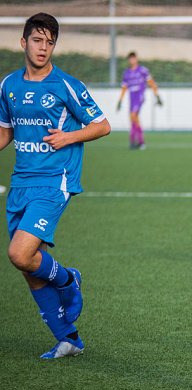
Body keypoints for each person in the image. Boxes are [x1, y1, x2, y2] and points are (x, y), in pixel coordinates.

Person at [0, 13, 111, 359]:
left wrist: (69, 136)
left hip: (54, 182)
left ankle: (67, 280)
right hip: (20, 183)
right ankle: (68, 339)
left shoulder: (66, 85)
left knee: (19, 253)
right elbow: (5, 131)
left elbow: (102, 125)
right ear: (23, 42)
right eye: (37, 40)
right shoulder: (8, 86)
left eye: (49, 42)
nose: (43, 48)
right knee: (29, 264)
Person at [116, 51, 162, 150]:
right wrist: (120, 100)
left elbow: (151, 82)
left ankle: (140, 142)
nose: (132, 60)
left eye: (133, 58)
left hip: (139, 96)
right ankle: (134, 142)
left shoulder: (142, 70)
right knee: (133, 118)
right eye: (130, 58)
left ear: (136, 58)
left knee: (133, 115)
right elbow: (124, 88)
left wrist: (157, 95)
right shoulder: (126, 73)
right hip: (132, 97)